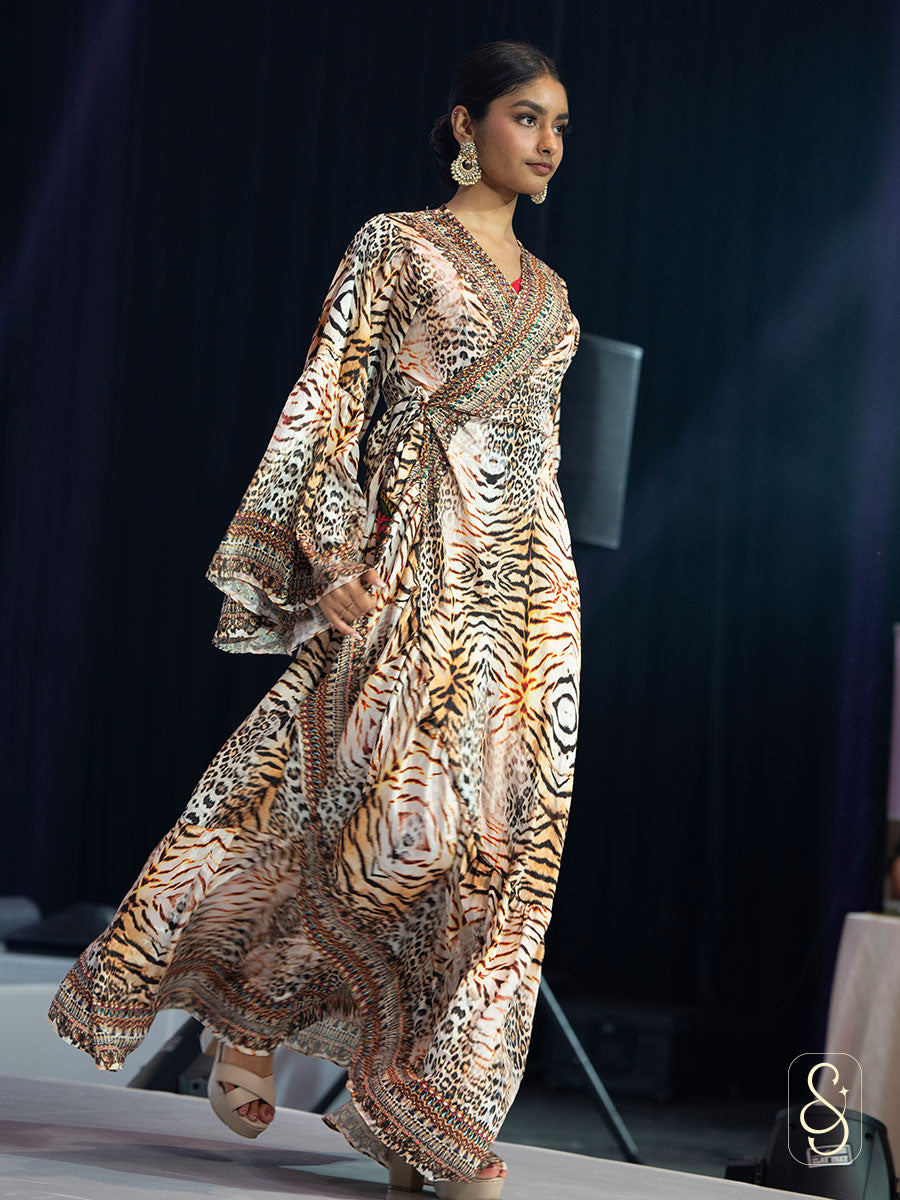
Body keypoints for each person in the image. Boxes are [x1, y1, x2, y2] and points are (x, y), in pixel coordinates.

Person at [47, 38, 580, 1200]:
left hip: (529, 599)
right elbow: (329, 403)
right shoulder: (394, 245)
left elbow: (539, 461)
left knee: (501, 852)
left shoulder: (551, 296)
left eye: (558, 126)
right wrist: (330, 555)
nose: (546, 143)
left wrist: (546, 604)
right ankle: (251, 1016)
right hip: (410, 570)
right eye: (526, 117)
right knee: (379, 816)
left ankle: (421, 1113)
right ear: (463, 125)